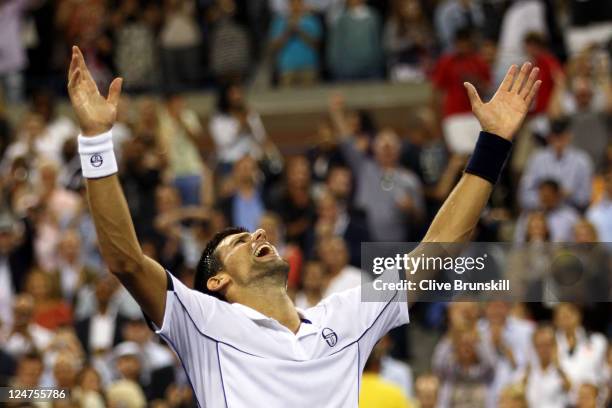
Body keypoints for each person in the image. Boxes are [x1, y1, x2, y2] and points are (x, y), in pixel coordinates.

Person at [67, 45, 541, 406]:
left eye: (251, 232)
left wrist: (494, 144)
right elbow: (124, 259)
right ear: (218, 281)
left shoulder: (346, 315)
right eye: (237, 240)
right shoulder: (202, 320)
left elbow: (439, 247)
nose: (256, 234)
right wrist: (95, 139)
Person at [269, 0, 322, 87]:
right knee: (286, 98)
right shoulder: (280, 21)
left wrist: (299, 30)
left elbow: (317, 44)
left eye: (298, 2)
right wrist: (288, 31)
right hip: (286, 68)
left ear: (302, 4)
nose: (295, 6)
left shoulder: (311, 21)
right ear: (288, 5)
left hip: (308, 67)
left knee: (309, 98)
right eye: (293, 3)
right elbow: (274, 46)